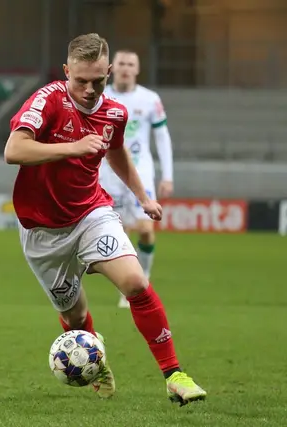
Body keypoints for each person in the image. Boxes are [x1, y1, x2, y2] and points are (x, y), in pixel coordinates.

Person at [4, 33, 206, 406]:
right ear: (67, 71)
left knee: (135, 283)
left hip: (91, 214)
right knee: (77, 316)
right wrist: (73, 147)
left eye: (98, 80)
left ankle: (175, 375)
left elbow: (116, 153)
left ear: (108, 72)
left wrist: (143, 196)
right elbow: (13, 150)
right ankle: (98, 362)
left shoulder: (114, 112)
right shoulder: (48, 100)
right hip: (42, 232)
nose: (89, 89)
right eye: (81, 80)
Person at [99, 49, 174, 309]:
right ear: (112, 67)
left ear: (137, 69)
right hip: (108, 173)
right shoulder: (101, 95)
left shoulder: (150, 99)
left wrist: (168, 175)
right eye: (121, 63)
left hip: (140, 173)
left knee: (145, 229)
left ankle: (144, 276)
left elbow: (162, 138)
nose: (126, 68)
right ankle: (130, 287)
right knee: (120, 232)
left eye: (131, 64)